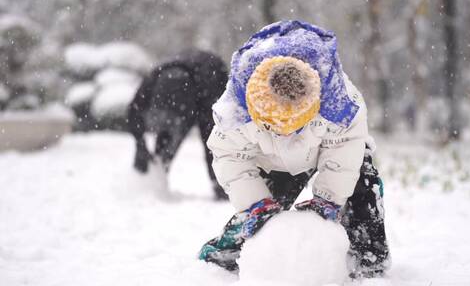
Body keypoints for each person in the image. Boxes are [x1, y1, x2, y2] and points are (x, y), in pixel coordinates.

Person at [198, 21, 390, 278]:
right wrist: (256, 203)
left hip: (327, 151)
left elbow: (345, 149)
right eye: (275, 127)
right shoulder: (234, 110)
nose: (286, 134)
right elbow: (230, 158)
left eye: (294, 126)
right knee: (260, 221)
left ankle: (368, 257)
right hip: (272, 162)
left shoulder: (340, 101)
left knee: (361, 181)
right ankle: (226, 254)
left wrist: (329, 199)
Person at [127, 49, 228, 200]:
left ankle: (223, 187)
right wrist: (140, 144)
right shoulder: (152, 80)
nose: (173, 124)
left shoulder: (211, 83)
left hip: (207, 82)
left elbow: (214, 139)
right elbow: (133, 112)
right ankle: (152, 182)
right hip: (182, 85)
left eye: (179, 119)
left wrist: (221, 184)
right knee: (165, 142)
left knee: (215, 141)